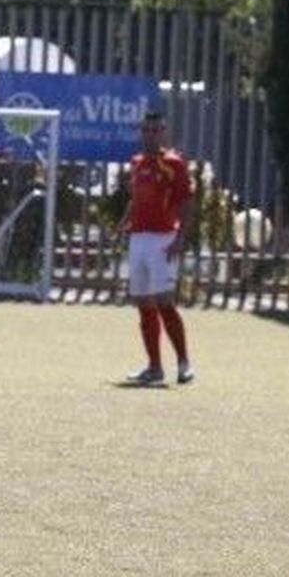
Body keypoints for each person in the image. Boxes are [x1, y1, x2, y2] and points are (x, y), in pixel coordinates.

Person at [120, 112, 195, 385]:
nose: (150, 134)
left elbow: (187, 201)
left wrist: (180, 238)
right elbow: (136, 198)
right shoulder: (137, 163)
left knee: (164, 300)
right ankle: (154, 367)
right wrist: (125, 220)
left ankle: (184, 363)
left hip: (163, 239)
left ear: (164, 132)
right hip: (138, 239)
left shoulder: (173, 163)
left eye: (156, 130)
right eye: (146, 130)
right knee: (143, 303)